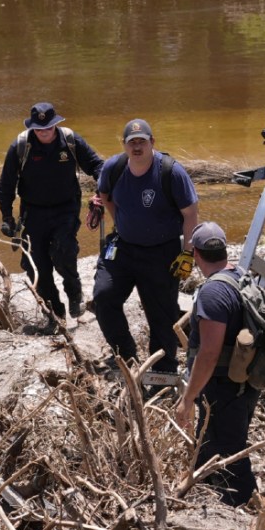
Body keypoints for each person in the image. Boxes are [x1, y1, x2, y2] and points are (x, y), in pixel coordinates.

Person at [92, 118, 199, 378]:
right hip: (123, 248)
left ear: (152, 142)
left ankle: (162, 373)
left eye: (142, 141)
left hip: (162, 251)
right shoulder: (114, 168)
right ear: (124, 145)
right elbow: (105, 196)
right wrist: (122, 223)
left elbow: (190, 213)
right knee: (103, 297)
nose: (137, 147)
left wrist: (188, 252)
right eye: (132, 142)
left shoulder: (171, 172)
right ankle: (126, 356)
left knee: (162, 314)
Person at [174, 221, 261, 507]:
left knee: (230, 451)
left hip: (224, 386)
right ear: (224, 249)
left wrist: (187, 398)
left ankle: (244, 506)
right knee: (212, 437)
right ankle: (203, 485)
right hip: (244, 380)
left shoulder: (212, 293)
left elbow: (209, 353)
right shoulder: (241, 275)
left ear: (196, 254)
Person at [0, 102, 104, 332]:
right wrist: (7, 217)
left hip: (66, 209)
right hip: (32, 212)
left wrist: (103, 189)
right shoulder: (20, 146)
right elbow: (6, 185)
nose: (44, 132)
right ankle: (55, 315)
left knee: (63, 250)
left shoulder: (70, 141)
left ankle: (75, 294)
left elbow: (97, 165)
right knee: (36, 265)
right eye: (39, 128)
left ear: (56, 124)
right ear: (32, 128)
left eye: (48, 127)